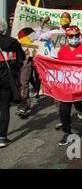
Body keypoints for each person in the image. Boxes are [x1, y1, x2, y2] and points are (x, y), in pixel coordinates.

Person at [57, 26, 82, 145]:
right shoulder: (63, 50)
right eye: (71, 36)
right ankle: (67, 132)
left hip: (81, 87)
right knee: (64, 110)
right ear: (67, 37)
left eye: (76, 35)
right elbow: (58, 66)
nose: (74, 38)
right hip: (67, 87)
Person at [35, 12, 73, 129]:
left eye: (66, 17)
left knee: (72, 90)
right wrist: (42, 24)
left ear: (70, 20)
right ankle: (61, 117)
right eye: (63, 17)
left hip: (69, 64)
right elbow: (38, 37)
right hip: (56, 65)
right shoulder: (54, 33)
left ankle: (80, 109)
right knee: (57, 93)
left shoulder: (74, 33)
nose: (64, 19)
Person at [0, 19, 25, 148]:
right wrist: (14, 70)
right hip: (6, 79)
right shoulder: (13, 43)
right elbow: (22, 58)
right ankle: (2, 137)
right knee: (4, 107)